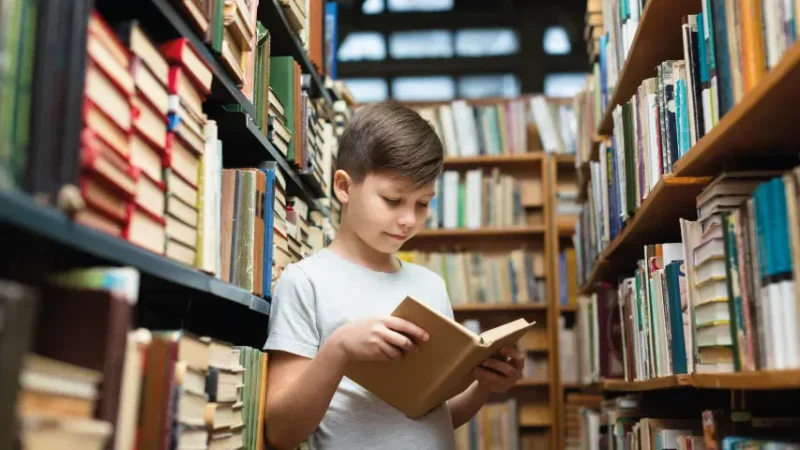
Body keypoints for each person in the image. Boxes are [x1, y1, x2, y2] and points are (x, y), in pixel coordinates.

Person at [263, 102, 525, 450]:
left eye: (422, 204)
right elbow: (281, 433)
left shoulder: (430, 285)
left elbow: (433, 415)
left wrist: (485, 387)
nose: (408, 220)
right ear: (344, 186)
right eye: (392, 200)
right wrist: (339, 349)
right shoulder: (305, 281)